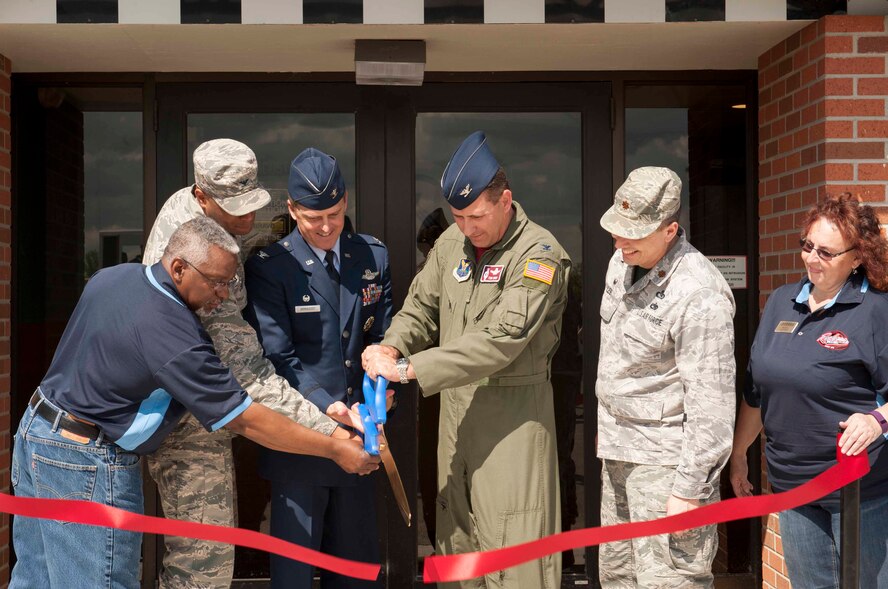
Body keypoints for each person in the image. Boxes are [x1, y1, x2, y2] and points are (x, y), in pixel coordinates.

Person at [9, 217, 379, 589]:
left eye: (230, 282)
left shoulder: (112, 278)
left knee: (35, 579)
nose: (223, 295)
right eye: (216, 282)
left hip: (38, 436)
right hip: (87, 461)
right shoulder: (175, 335)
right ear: (179, 267)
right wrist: (333, 449)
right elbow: (247, 420)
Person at [142, 138, 362, 589]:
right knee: (203, 561)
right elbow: (247, 369)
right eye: (234, 208)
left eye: (252, 204)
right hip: (188, 417)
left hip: (203, 401)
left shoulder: (200, 216)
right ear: (201, 196)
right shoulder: (197, 254)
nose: (247, 218)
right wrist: (331, 430)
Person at [362, 130, 569, 589]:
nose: (468, 227)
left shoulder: (538, 254)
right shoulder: (449, 245)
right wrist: (392, 345)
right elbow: (420, 308)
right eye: (458, 216)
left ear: (505, 200)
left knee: (515, 558)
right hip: (454, 421)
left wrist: (412, 368)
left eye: (476, 216)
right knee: (457, 549)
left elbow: (503, 338)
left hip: (511, 421)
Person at [243, 147, 392, 589]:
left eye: (333, 213)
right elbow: (278, 359)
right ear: (291, 210)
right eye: (312, 218)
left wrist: (383, 388)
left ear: (345, 202)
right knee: (294, 576)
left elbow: (381, 336)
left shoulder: (372, 257)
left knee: (356, 572)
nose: (325, 227)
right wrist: (330, 409)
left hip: (362, 441)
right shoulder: (272, 268)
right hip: (301, 444)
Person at [730, 193, 888, 589]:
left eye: (827, 252)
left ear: (857, 257)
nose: (813, 258)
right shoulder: (783, 301)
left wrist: (876, 420)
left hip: (859, 491)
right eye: (808, 246)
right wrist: (738, 455)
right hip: (793, 487)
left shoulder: (875, 311)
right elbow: (757, 392)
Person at [596, 166, 736, 588]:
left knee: (671, 582)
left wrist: (689, 490)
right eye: (615, 230)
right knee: (618, 578)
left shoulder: (699, 294)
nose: (619, 242)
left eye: (631, 234)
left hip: (668, 470)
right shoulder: (621, 262)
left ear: (670, 230)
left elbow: (711, 407)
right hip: (617, 454)